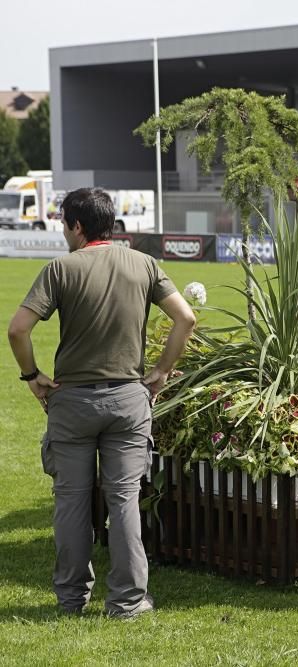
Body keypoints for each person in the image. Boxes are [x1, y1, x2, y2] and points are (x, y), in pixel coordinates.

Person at [7, 188, 197, 617]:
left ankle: (72, 600)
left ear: (77, 226)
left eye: (63, 224)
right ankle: (128, 602)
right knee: (124, 500)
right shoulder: (144, 264)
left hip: (71, 401)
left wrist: (32, 376)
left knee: (72, 502)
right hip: (129, 399)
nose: (61, 231)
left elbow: (18, 330)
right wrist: (162, 370)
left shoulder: (61, 269)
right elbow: (185, 318)